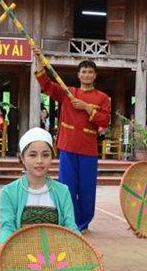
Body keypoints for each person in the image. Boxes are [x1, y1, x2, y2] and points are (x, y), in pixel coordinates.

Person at [0, 127, 81, 271]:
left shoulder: (62, 191)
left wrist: (82, 245)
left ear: (53, 157)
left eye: (45, 154)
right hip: (23, 264)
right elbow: (8, 225)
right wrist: (3, 243)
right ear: (21, 158)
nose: (39, 161)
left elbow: (70, 224)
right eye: (32, 155)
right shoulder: (10, 192)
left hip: (54, 264)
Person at [32, 46, 111, 234]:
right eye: (83, 71)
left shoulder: (102, 98)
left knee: (86, 189)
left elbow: (105, 120)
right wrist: (39, 59)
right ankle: (70, 221)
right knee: (67, 187)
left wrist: (87, 107)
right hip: (67, 146)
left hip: (88, 148)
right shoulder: (68, 92)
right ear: (78, 75)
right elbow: (46, 85)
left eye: (90, 72)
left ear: (95, 76)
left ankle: (83, 223)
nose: (86, 75)